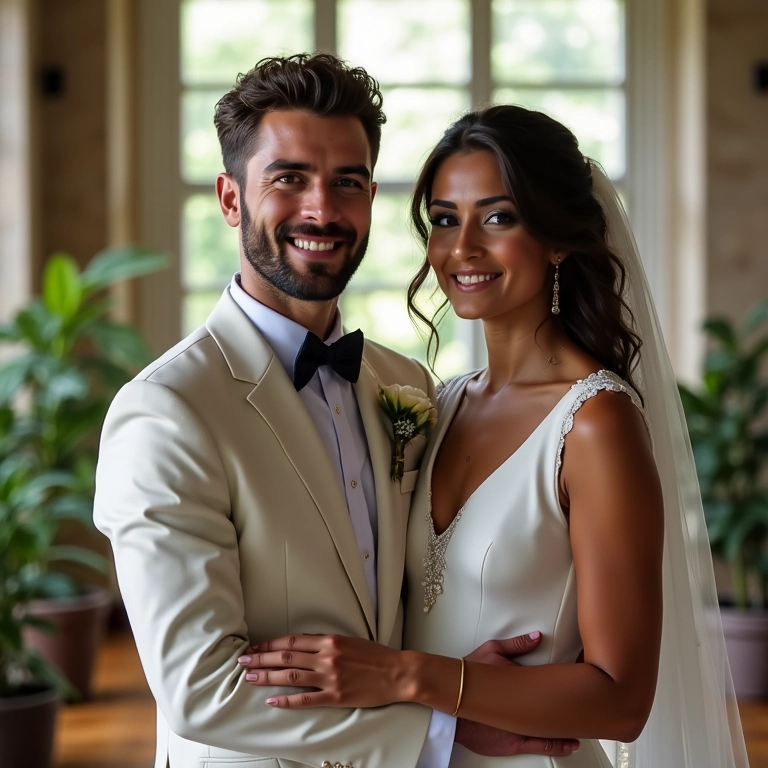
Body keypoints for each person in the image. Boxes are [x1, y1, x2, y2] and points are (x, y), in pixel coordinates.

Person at [93, 58, 579, 768]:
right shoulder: (166, 412)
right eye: (288, 178)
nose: (321, 210)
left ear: (371, 198)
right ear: (230, 199)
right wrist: (444, 727)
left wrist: (464, 678)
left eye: (346, 183)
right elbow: (200, 691)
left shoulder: (404, 382)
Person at [238, 105, 751, 768]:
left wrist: (406, 675)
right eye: (446, 219)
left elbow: (621, 701)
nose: (462, 249)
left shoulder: (596, 424)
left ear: (559, 237)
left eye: (498, 217)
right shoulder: (438, 403)